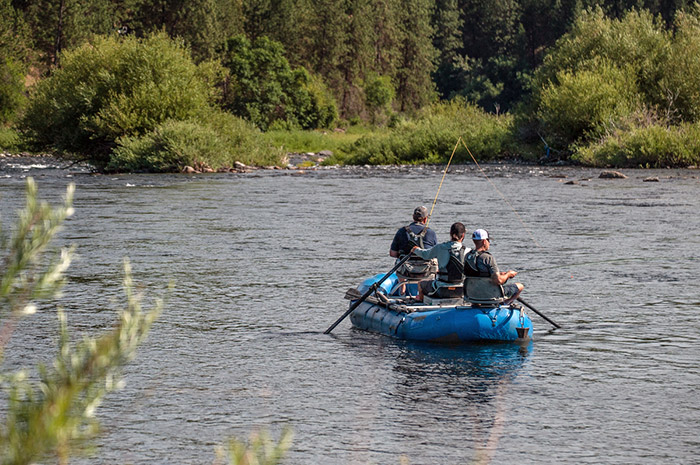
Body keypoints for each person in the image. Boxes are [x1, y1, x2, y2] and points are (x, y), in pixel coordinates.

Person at [463, 229, 523, 305]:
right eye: (488, 240)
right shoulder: (488, 258)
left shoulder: (467, 256)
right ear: (484, 241)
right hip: (490, 293)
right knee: (520, 286)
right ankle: (505, 303)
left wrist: (501, 274)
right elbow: (498, 281)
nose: (489, 243)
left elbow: (478, 274)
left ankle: (477, 305)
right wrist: (508, 274)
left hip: (473, 294)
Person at [411, 222, 467, 302]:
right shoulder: (468, 251)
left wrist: (415, 250)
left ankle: (420, 302)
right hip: (461, 289)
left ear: (450, 234)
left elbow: (425, 255)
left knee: (421, 284)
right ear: (463, 235)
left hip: (441, 288)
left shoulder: (440, 248)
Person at [390, 206, 438, 280]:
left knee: (400, 261)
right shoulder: (431, 233)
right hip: (426, 271)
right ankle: (428, 287)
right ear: (425, 219)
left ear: (413, 217)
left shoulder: (402, 231)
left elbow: (392, 254)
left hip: (405, 271)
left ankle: (402, 289)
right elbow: (436, 254)